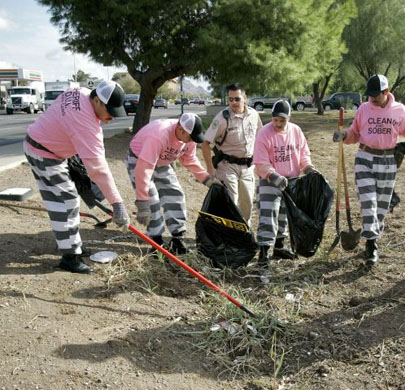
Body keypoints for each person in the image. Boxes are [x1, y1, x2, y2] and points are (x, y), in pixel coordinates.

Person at [24, 80, 130, 274]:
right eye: (110, 112)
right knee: (66, 201)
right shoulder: (87, 124)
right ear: (97, 100)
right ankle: (69, 257)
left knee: (68, 198)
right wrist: (117, 203)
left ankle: (71, 244)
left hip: (46, 145)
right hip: (43, 153)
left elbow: (60, 115)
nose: (111, 118)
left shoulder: (79, 91)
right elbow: (98, 169)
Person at [333, 74, 405, 266]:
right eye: (370, 95)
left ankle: (372, 237)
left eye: (376, 95)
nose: (372, 99)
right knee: (368, 203)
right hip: (365, 158)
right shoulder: (364, 109)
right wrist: (344, 135)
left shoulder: (399, 111)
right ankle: (371, 245)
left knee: (381, 207)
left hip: (387, 161)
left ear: (386, 92)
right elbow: (355, 133)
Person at [126, 113, 218, 256]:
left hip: (162, 162)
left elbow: (189, 159)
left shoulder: (189, 136)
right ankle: (156, 242)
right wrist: (142, 200)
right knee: (152, 200)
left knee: (175, 193)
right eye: (190, 138)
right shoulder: (159, 135)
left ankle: (177, 237)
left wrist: (207, 179)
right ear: (180, 129)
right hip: (139, 159)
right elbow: (144, 169)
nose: (192, 141)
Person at [253, 100, 317, 276]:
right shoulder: (264, 133)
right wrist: (273, 176)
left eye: (282, 120)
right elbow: (260, 162)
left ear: (289, 118)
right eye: (275, 120)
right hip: (269, 179)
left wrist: (308, 167)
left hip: (291, 180)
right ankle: (264, 253)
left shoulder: (296, 131)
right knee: (269, 214)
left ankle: (279, 247)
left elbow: (303, 153)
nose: (278, 124)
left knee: (285, 215)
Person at [201, 83, 262, 226]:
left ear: (245, 98)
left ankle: (244, 233)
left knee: (247, 204)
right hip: (227, 167)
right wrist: (210, 169)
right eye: (230, 99)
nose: (234, 103)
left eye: (237, 99)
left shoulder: (253, 115)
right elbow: (205, 144)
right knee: (231, 202)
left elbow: (261, 138)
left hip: (248, 167)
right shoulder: (222, 118)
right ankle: (228, 236)